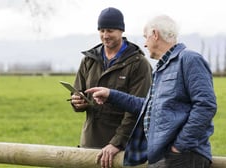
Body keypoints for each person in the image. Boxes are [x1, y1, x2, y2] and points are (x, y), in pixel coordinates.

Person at [86, 15, 217, 168]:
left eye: (145, 37)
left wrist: (179, 147)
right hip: (163, 156)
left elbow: (206, 105)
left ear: (155, 34)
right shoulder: (162, 68)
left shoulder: (189, 59)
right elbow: (149, 107)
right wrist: (111, 94)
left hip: (183, 156)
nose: (145, 44)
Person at [69, 7, 152, 168]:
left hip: (124, 148)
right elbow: (78, 91)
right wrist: (77, 102)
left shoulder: (138, 64)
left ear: (121, 31)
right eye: (102, 30)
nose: (105, 35)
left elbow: (139, 109)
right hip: (90, 143)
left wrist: (117, 143)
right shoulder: (89, 60)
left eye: (110, 30)